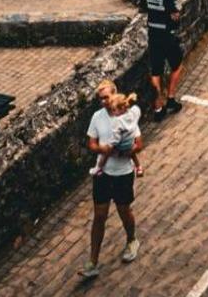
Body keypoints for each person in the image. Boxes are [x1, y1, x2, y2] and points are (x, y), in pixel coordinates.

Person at [81, 79, 141, 280]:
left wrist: (127, 152)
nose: (104, 102)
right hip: (103, 174)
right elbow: (91, 143)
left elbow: (138, 144)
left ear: (115, 94)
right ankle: (93, 262)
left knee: (124, 211)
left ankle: (132, 240)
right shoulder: (97, 117)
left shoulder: (126, 114)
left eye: (106, 97)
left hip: (123, 173)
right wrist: (103, 149)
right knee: (99, 216)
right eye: (101, 99)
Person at [142, 0, 185, 119]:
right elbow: (174, 15)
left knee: (156, 71)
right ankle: (171, 98)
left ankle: (158, 107)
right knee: (177, 64)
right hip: (166, 35)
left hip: (153, 34)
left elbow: (143, 7)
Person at [90, 88, 143, 177]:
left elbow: (116, 137)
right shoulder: (132, 115)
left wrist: (109, 145)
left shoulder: (118, 121)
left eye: (114, 110)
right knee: (132, 154)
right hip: (129, 144)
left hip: (122, 160)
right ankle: (138, 166)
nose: (103, 101)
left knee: (106, 154)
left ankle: (99, 167)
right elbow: (137, 110)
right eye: (101, 98)